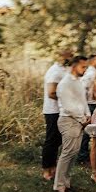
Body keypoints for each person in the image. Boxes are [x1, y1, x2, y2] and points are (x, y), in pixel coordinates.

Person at [53, 56, 90, 192]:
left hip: (79, 121)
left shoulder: (78, 82)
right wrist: (82, 119)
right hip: (68, 120)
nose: (85, 69)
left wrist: (88, 115)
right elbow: (68, 106)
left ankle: (66, 184)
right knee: (67, 154)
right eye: (83, 67)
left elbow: (83, 101)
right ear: (74, 66)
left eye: (86, 67)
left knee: (73, 154)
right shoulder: (65, 83)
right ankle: (59, 187)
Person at [41, 50, 71, 181]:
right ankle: (47, 170)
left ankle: (54, 167)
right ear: (61, 55)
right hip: (53, 110)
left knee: (58, 140)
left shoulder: (64, 70)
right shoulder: (54, 71)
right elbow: (51, 93)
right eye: (69, 54)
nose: (71, 56)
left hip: (61, 110)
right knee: (51, 140)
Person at [76, 53, 96, 164]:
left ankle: (86, 155)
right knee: (87, 131)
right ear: (93, 61)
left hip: (93, 104)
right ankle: (82, 157)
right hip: (90, 104)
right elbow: (82, 87)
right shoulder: (91, 73)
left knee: (92, 131)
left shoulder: (94, 72)